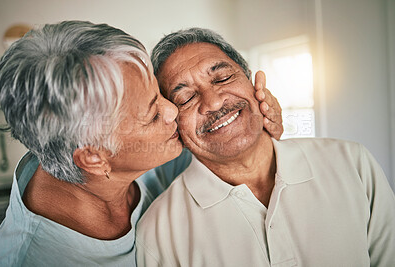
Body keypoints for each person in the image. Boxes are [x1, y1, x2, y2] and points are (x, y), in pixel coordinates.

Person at [0, 21, 283, 266]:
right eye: (153, 114)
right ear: (95, 158)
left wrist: (254, 130)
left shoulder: (128, 148)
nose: (172, 110)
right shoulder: (37, 258)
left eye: (160, 93)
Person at [135, 27, 395, 267]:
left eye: (223, 78)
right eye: (186, 97)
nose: (213, 103)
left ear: (254, 83)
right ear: (172, 122)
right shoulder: (159, 233)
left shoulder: (352, 163)